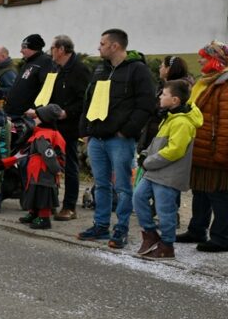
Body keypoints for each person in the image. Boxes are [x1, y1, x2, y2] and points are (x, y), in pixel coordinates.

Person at [77, 29, 155, 249]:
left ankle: (121, 228)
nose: (98, 47)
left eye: (102, 44)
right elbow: (89, 99)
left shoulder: (137, 70)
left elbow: (146, 104)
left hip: (119, 139)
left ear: (115, 46)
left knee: (122, 186)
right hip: (97, 137)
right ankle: (101, 225)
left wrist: (127, 131)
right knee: (101, 185)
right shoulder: (100, 69)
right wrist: (85, 130)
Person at [133, 79, 201, 259]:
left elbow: (175, 150)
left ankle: (167, 245)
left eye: (164, 94)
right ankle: (150, 234)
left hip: (169, 175)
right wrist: (145, 154)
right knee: (138, 197)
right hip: (155, 171)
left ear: (175, 100)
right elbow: (157, 143)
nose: (160, 97)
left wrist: (149, 162)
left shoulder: (182, 122)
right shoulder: (169, 118)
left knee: (165, 210)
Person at [176, 42, 228, 253]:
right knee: (200, 192)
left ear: (216, 59)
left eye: (204, 57)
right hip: (201, 148)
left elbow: (226, 123)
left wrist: (222, 154)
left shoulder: (224, 85)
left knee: (218, 194)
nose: (199, 60)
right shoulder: (206, 81)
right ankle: (197, 230)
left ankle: (222, 237)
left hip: (214, 151)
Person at [0, 104, 66, 229]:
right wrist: (3, 164)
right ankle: (34, 214)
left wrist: (56, 170)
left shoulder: (43, 136)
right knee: (34, 191)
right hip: (35, 170)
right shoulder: (40, 133)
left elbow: (48, 155)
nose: (34, 119)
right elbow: (23, 153)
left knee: (43, 193)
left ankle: (44, 219)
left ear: (44, 120)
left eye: (37, 117)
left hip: (43, 171)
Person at [48, 35, 91, 221]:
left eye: (52, 48)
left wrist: (68, 112)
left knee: (70, 167)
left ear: (61, 49)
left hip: (70, 126)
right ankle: (48, 202)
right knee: (49, 163)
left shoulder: (80, 70)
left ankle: (69, 206)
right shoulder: (56, 69)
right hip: (53, 124)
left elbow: (85, 99)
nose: (50, 52)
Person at [3, 34, 55, 118]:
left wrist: (36, 109)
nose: (21, 51)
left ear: (33, 48)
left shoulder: (45, 62)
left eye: (24, 47)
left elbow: (46, 89)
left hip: (25, 115)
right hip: (12, 111)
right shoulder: (28, 62)